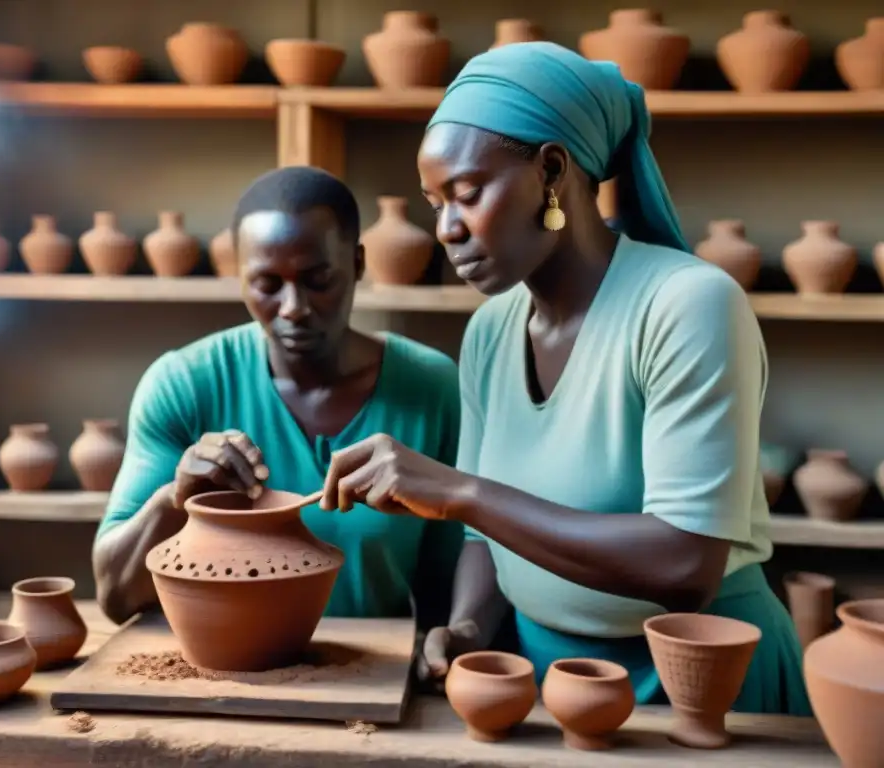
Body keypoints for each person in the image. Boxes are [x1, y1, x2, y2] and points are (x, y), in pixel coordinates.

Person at [317, 42, 811, 715]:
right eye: (434, 203)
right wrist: (469, 625)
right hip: (545, 688)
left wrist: (460, 491)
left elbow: (684, 565)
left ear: (552, 170)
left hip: (699, 687)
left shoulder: (687, 305)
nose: (446, 230)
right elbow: (488, 540)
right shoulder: (491, 331)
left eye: (467, 194)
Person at [92, 166, 464, 629]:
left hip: (372, 676)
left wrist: (445, 652)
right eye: (268, 284)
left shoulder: (431, 387)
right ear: (241, 278)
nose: (294, 307)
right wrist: (174, 501)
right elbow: (114, 595)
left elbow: (447, 583)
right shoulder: (185, 383)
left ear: (358, 263)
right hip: (219, 680)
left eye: (318, 279)